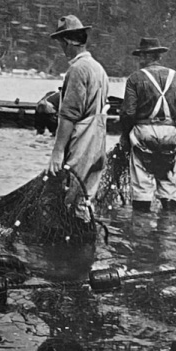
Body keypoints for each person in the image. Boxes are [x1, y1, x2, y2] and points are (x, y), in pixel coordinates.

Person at [119, 38, 176, 211]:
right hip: (170, 131)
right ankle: (168, 223)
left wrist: (125, 136)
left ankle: (141, 224)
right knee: (168, 183)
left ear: (145, 56)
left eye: (141, 55)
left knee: (142, 185)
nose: (139, 59)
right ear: (159, 56)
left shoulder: (135, 78)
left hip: (143, 131)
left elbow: (128, 113)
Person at [45, 15, 109, 219]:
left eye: (61, 43)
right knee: (85, 199)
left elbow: (69, 115)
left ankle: (67, 234)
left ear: (69, 42)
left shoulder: (77, 69)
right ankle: (83, 234)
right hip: (98, 138)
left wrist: (57, 152)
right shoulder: (98, 68)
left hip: (82, 138)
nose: (62, 48)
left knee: (69, 197)